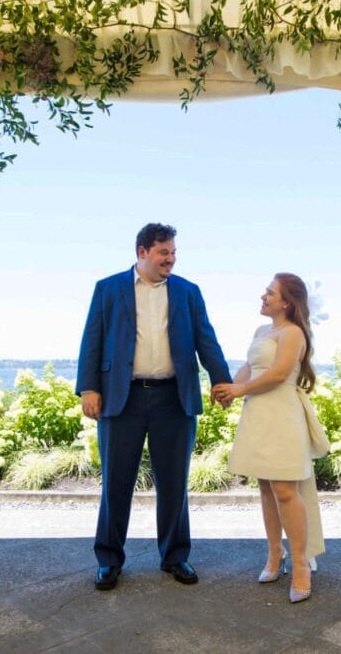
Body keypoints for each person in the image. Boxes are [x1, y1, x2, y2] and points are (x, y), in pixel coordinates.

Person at [76, 222, 232, 591]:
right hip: (121, 398)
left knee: (174, 483)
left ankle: (175, 556)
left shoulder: (188, 292)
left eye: (174, 253)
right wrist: (88, 388)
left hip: (173, 399)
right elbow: (92, 340)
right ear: (142, 252)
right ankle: (109, 560)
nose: (171, 260)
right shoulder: (108, 289)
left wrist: (221, 380)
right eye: (164, 252)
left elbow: (206, 339)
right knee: (116, 483)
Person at [213, 273, 324, 604]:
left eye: (269, 292)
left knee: (286, 491)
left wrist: (241, 389)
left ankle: (301, 564)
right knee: (265, 487)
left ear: (286, 301)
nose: (263, 296)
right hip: (258, 413)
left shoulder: (293, 333)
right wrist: (229, 391)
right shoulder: (262, 331)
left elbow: (277, 374)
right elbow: (251, 366)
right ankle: (275, 555)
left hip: (281, 414)